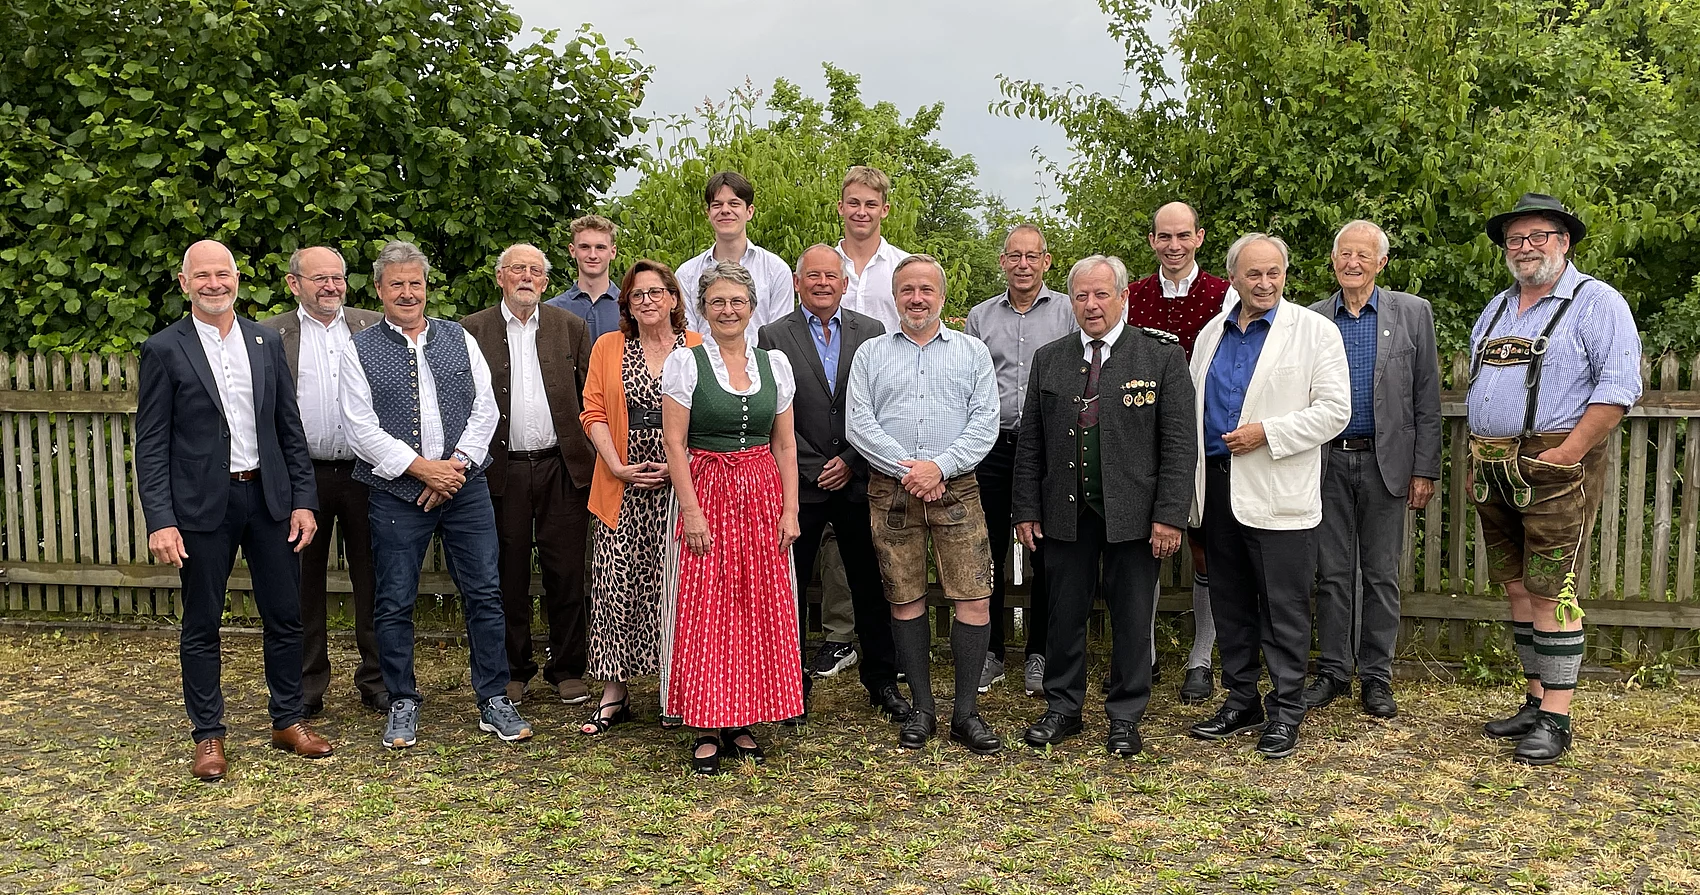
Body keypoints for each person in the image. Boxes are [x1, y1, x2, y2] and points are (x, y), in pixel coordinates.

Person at [137, 239, 332, 781]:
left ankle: (287, 720)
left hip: (267, 499)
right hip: (201, 507)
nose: (214, 283)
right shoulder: (164, 349)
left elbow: (288, 430)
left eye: (222, 273)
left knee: (286, 617)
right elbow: (151, 443)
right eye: (202, 275)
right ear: (184, 283)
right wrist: (160, 519)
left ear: (238, 278)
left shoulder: (265, 341)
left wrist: (303, 501)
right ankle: (209, 735)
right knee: (202, 622)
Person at [1468, 193, 1641, 764]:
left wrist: (1568, 454)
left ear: (1563, 242)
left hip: (1554, 465)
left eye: (1538, 236)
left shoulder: (1597, 304)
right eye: (1515, 239)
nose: (1525, 248)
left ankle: (1557, 720)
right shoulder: (1496, 309)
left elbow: (1618, 389)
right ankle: (1534, 699)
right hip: (1494, 465)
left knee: (1552, 590)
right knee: (1517, 587)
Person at [341, 240, 532, 748]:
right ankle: (402, 700)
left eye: (416, 283)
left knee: (485, 594)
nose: (408, 292)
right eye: (397, 284)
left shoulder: (458, 338)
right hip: (395, 492)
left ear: (427, 288)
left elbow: (485, 408)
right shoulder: (357, 350)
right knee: (394, 599)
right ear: (379, 290)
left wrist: (456, 468)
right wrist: (423, 470)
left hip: (464, 486)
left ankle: (494, 698)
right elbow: (360, 428)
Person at [1013, 255, 1195, 756]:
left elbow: (1180, 445)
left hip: (1136, 516)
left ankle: (1125, 715)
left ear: (1124, 297)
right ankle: (1062, 708)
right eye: (1081, 296)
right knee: (1062, 615)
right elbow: (1032, 443)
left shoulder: (1160, 356)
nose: (1091, 305)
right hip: (1065, 511)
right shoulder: (1051, 358)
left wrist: (1168, 515)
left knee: (1133, 619)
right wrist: (1026, 509)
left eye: (1101, 295)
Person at [1185, 233, 1350, 760]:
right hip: (1217, 485)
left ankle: (1285, 710)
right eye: (1254, 274)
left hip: (1278, 485)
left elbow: (1334, 411)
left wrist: (1268, 434)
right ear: (1233, 277)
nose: (1265, 283)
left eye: (1274, 273)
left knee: (1283, 607)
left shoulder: (1315, 332)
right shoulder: (1212, 333)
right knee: (1230, 600)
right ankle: (1241, 699)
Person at [847, 254, 1003, 754]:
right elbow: (859, 423)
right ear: (895, 297)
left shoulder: (972, 352)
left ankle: (965, 713)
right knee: (904, 596)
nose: (917, 298)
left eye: (926, 290)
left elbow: (985, 422)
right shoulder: (871, 354)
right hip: (892, 492)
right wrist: (910, 470)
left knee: (973, 597)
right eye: (907, 289)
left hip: (957, 488)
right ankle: (922, 710)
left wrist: (939, 467)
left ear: (941, 296)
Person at [661, 261, 804, 774]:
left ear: (751, 308)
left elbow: (785, 443)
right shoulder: (685, 363)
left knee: (756, 605)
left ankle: (744, 717)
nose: (728, 310)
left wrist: (790, 508)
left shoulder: (775, 364)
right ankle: (705, 719)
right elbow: (675, 443)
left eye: (737, 302)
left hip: (763, 493)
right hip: (708, 488)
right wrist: (692, 511)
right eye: (718, 302)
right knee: (707, 605)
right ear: (703, 307)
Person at [758, 244, 911, 724]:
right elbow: (771, 408)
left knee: (871, 584)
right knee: (792, 588)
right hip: (798, 484)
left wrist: (848, 458)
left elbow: (881, 404)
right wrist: (811, 464)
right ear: (798, 282)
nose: (823, 283)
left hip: (859, 479)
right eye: (813, 276)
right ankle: (790, 687)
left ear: (845, 284)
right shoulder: (772, 334)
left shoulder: (871, 332)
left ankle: (882, 682)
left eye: (832, 276)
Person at [1303, 221, 1442, 719]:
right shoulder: (1313, 318)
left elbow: (1427, 399)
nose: (1352, 263)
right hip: (1326, 462)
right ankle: (1334, 671)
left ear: (1381, 263)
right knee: (1332, 575)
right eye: (1344, 254)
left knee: (1381, 575)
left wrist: (1424, 470)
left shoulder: (1412, 314)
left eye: (1363, 255)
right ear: (1333, 259)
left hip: (1389, 465)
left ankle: (1377, 678)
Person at [462, 244, 597, 707]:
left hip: (563, 467)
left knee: (567, 572)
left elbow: (589, 398)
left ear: (544, 281)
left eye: (535, 271)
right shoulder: (471, 330)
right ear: (500, 277)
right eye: (517, 269)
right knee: (506, 573)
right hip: (501, 470)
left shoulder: (570, 327)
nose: (526, 277)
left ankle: (567, 669)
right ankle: (512, 669)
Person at [577, 259, 702, 735]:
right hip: (621, 485)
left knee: (676, 588)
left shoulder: (695, 348)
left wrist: (678, 467)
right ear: (625, 304)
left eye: (656, 292)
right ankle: (615, 691)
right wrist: (615, 465)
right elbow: (592, 412)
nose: (647, 301)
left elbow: (707, 416)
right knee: (615, 585)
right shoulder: (609, 346)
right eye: (636, 294)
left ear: (673, 298)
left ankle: (677, 688)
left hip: (681, 486)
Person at [261, 245, 387, 715]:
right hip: (302, 476)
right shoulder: (271, 335)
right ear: (295, 283)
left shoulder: (373, 325)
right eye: (320, 278)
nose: (331, 286)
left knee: (375, 579)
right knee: (301, 584)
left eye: (337, 277)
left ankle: (378, 681)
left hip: (367, 472)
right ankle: (306, 687)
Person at [1124, 201, 1234, 703]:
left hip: (1207, 436)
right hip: (1141, 441)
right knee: (1141, 544)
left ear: (1199, 238)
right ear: (1152, 241)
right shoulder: (1132, 296)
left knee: (1204, 547)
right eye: (1164, 236)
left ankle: (1201, 659)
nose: (1173, 245)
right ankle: (1140, 653)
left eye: (1182, 236)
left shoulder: (1223, 294)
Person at [963, 224, 1076, 697]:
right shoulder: (980, 317)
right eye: (1015, 256)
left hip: (1050, 447)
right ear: (1004, 262)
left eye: (1033, 256)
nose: (1024, 264)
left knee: (1045, 552)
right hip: (991, 446)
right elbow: (968, 382)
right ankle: (990, 651)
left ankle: (1039, 653)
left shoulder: (1069, 311)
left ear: (1047, 262)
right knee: (983, 549)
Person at [679, 171, 795, 334]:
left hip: (762, 359)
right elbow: (687, 336)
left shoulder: (776, 270)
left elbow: (779, 336)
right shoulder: (686, 274)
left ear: (750, 211)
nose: (725, 210)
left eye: (734, 203)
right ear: (709, 213)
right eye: (717, 205)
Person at [836, 167, 911, 348]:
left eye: (871, 205)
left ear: (884, 210)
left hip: (892, 370)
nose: (861, 212)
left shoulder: (904, 267)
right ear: (841, 207)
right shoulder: (823, 268)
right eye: (854, 203)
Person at [544, 214, 623, 343]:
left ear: (613, 252)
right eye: (585, 247)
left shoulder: (631, 309)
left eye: (600, 247)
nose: (592, 255)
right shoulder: (552, 311)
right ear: (572, 250)